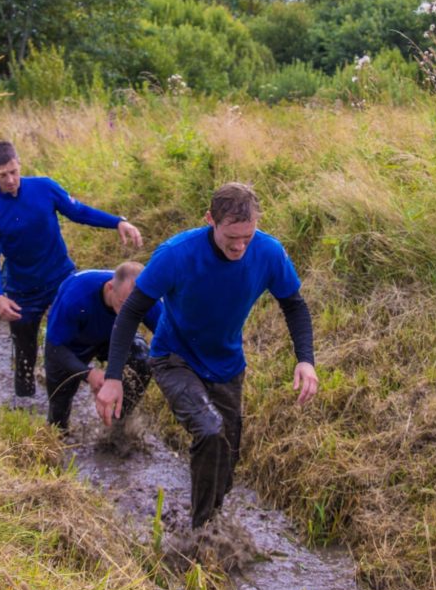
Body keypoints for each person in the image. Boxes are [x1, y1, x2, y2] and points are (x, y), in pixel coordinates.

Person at [96, 182, 318, 530]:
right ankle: (199, 534)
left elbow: (294, 306)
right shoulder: (176, 254)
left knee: (225, 460)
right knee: (210, 429)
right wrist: (112, 378)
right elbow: (131, 311)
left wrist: (305, 359)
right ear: (210, 220)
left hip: (227, 364)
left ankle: (211, 520)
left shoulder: (268, 253)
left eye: (247, 236)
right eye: (231, 237)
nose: (240, 246)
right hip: (175, 357)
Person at [0, 141, 143, 397]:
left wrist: (117, 222)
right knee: (25, 356)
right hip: (22, 290)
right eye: (2, 175)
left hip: (61, 279)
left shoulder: (44, 187)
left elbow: (79, 212)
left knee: (75, 337)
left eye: (13, 172)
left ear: (19, 164)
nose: (10, 180)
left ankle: (78, 386)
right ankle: (25, 406)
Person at [43, 262, 163, 429]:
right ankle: (60, 431)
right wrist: (88, 374)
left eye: (136, 309)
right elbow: (54, 350)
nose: (129, 313)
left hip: (111, 337)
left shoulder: (143, 296)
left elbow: (169, 335)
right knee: (59, 409)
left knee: (141, 357)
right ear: (110, 288)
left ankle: (118, 423)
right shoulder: (75, 297)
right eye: (124, 305)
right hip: (71, 345)